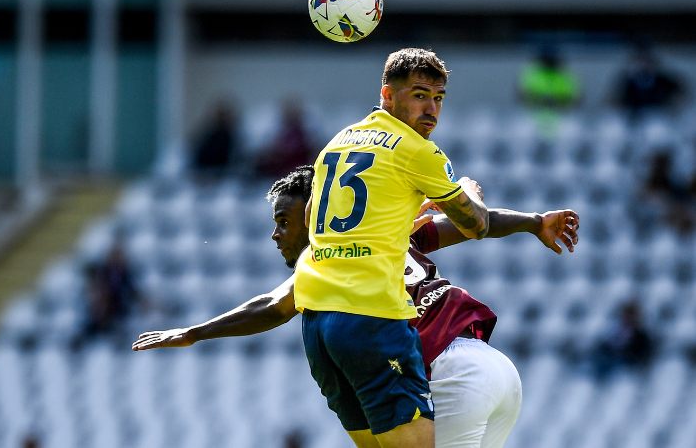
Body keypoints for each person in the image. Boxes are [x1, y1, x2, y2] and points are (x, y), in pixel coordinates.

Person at [133, 165, 580, 448]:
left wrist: (195, 332)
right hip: (496, 373)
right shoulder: (382, 233)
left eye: (284, 221)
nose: (276, 234)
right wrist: (534, 222)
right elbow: (469, 226)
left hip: (448, 379)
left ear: (315, 215)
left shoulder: (322, 262)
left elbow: (273, 305)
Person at [294, 48, 489, 447]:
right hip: (372, 320)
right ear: (388, 94)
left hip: (319, 325)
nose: (431, 109)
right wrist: (469, 190)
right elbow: (476, 224)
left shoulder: (338, 142)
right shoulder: (417, 150)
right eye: (419, 95)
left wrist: (400, 215)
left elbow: (314, 216)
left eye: (439, 98)